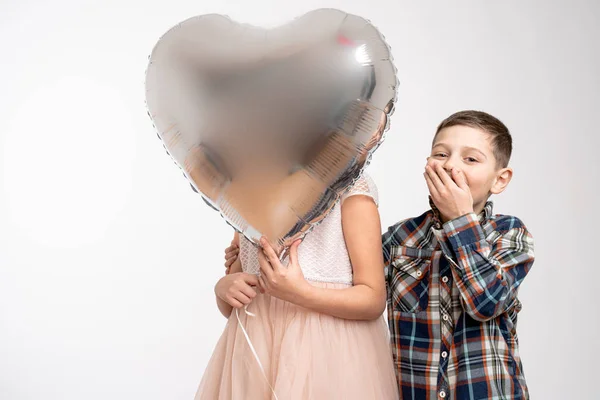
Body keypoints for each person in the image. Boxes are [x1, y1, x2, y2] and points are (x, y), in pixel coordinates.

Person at [383, 110, 535, 399]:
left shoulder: (510, 234)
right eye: (440, 154)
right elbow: (359, 292)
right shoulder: (398, 239)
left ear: (499, 180)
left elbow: (486, 302)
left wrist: (459, 220)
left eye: (470, 159)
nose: (451, 165)